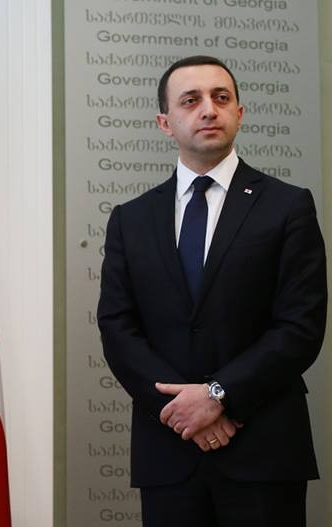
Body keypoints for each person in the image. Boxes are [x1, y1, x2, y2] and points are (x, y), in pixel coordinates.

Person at [97, 55, 326, 526]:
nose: (208, 109)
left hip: (263, 452)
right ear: (165, 122)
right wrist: (184, 411)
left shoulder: (288, 207)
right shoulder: (131, 219)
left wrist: (218, 396)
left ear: (239, 114)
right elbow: (118, 329)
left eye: (221, 98)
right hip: (170, 452)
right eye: (190, 100)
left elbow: (300, 327)